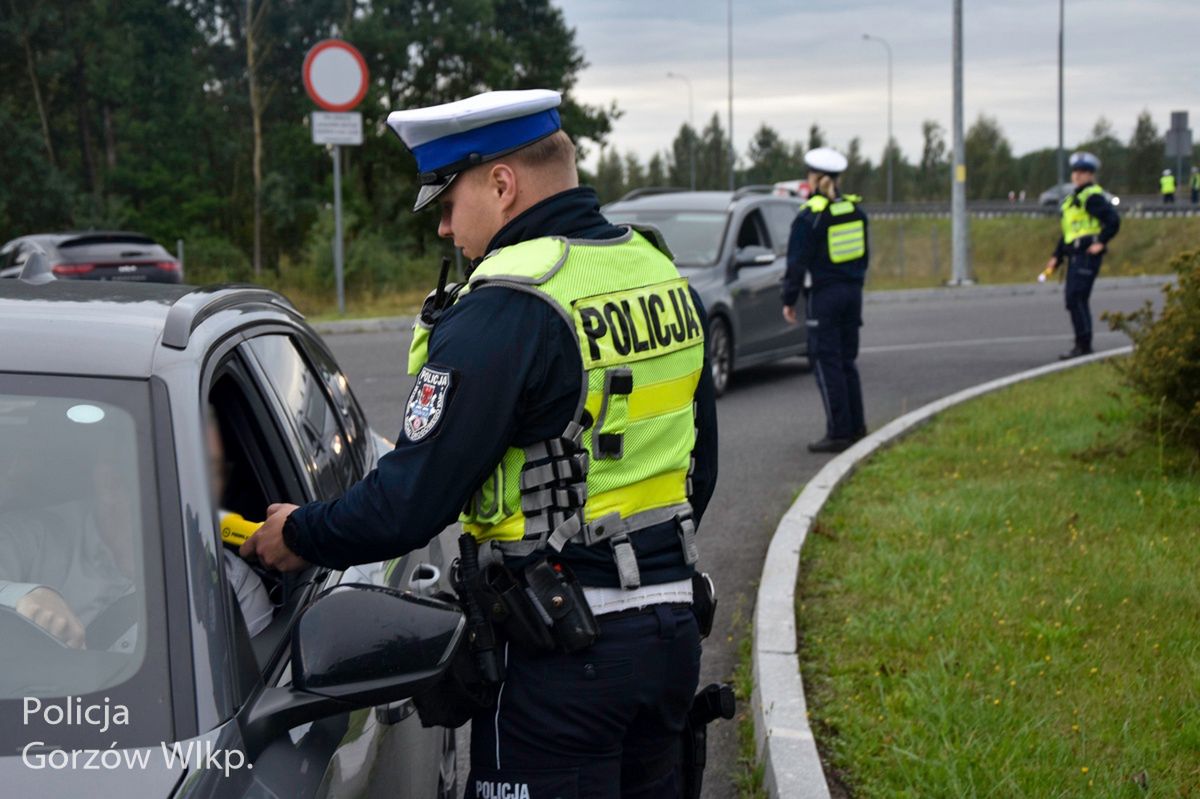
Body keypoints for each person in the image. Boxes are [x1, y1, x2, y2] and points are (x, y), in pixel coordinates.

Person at [239, 89, 719, 798]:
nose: (443, 228)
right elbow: (696, 472)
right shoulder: (658, 273)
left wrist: (298, 533)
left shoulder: (510, 303)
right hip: (670, 636)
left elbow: (408, 503)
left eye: (446, 202)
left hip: (558, 658)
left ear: (502, 183)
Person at [0, 412, 273, 648]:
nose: (201, 489)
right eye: (179, 469)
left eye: (211, 472)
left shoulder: (229, 587)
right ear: (109, 482)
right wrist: (21, 597)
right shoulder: (32, 537)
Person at [781, 146, 869, 454]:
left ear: (815, 178)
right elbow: (865, 257)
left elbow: (796, 262)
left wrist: (788, 299)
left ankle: (838, 433)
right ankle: (857, 427)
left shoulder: (811, 216)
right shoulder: (855, 210)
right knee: (847, 362)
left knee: (826, 364)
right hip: (852, 295)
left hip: (824, 297)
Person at [1040, 151, 1120, 360]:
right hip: (1074, 254)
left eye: (1083, 171)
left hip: (1086, 255)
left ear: (1091, 174)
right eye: (1075, 171)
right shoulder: (1072, 199)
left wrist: (1101, 242)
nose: (1078, 175)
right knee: (1074, 299)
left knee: (1077, 298)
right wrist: (1056, 257)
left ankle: (1083, 346)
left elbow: (1113, 221)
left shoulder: (1092, 196)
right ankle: (1082, 343)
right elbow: (1068, 233)